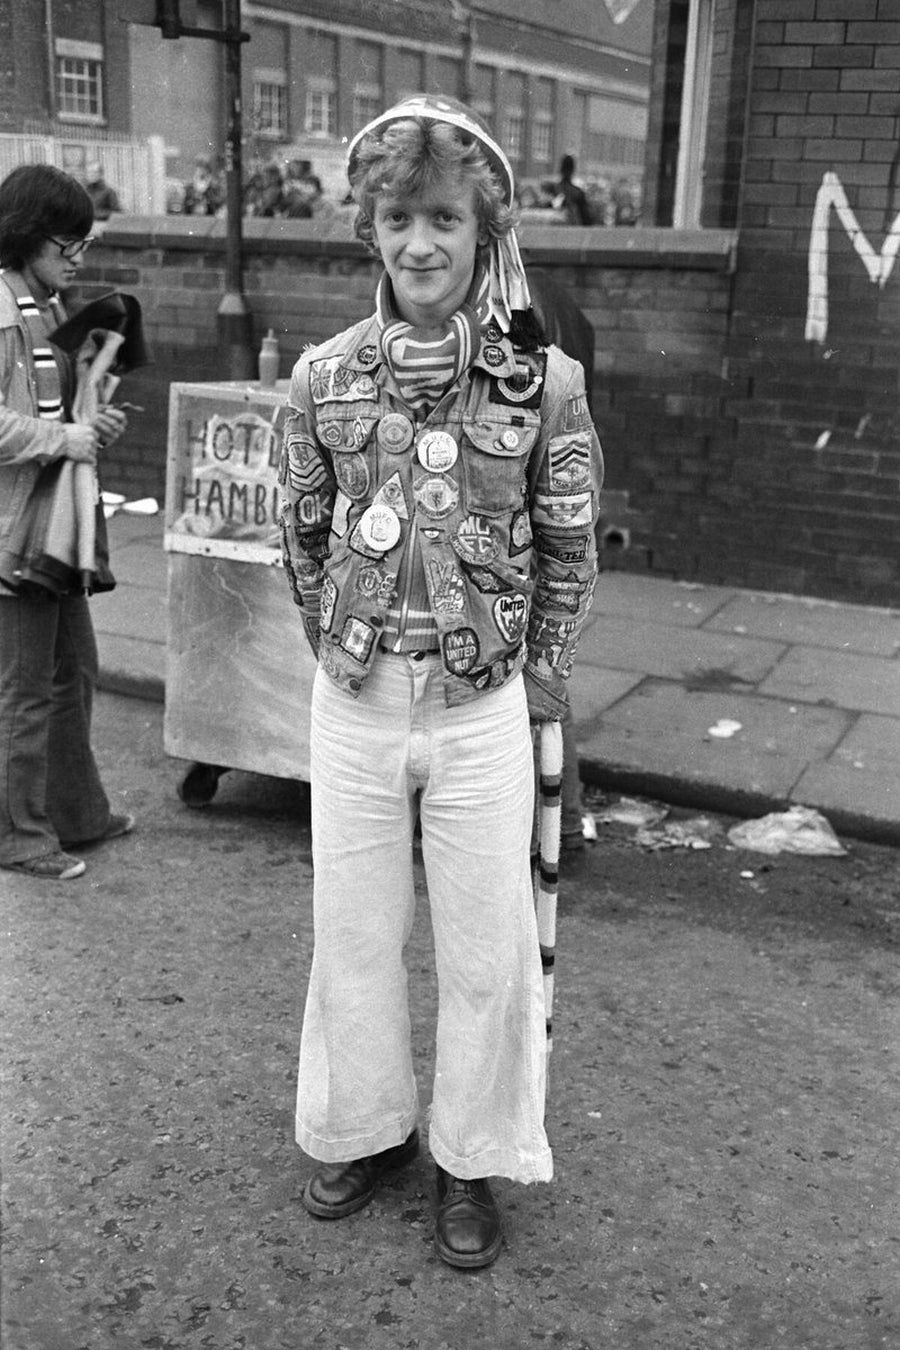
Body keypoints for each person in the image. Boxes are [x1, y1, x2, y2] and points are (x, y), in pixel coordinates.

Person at [278, 95, 603, 1268]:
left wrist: (545, 674)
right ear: (370, 229)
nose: (422, 244)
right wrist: (344, 647)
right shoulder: (323, 377)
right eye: (401, 218)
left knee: (486, 946)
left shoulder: (544, 385)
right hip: (358, 699)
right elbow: (302, 532)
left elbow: (571, 543)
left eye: (447, 221)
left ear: (484, 233)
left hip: (483, 710)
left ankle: (472, 1159)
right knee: (354, 933)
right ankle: (364, 1130)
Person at [0, 164, 133, 881]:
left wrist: (92, 425)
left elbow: (59, 411)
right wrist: (64, 440)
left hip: (53, 522)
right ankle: (16, 835)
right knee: (22, 691)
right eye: (66, 245)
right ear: (26, 236)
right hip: (16, 528)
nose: (76, 260)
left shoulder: (44, 308)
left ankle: (76, 814)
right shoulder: (0, 311)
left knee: (73, 669)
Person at [554, 154, 594, 226]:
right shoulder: (578, 193)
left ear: (560, 169)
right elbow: (587, 220)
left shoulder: (552, 190)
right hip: (574, 232)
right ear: (572, 170)